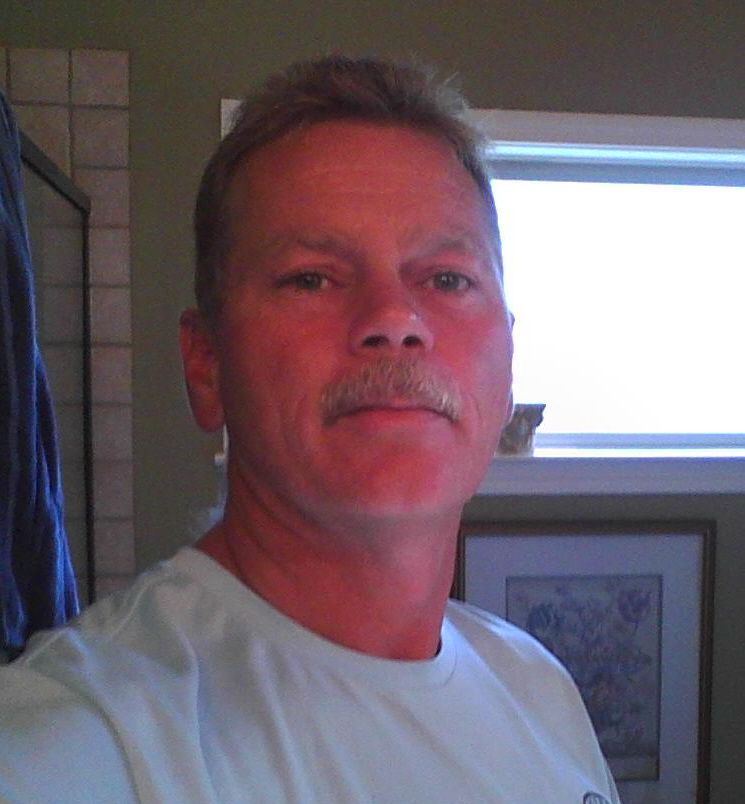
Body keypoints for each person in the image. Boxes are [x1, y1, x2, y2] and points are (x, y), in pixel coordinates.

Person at [0, 56, 620, 803]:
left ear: (509, 359)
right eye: (312, 277)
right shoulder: (75, 743)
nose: (395, 319)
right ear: (206, 366)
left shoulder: (538, 688)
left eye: (447, 278)